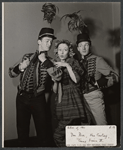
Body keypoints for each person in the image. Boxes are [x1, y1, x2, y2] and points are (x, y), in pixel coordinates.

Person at [9, 27, 57, 147]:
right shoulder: (27, 57)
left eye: (51, 41)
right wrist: (20, 67)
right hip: (21, 98)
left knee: (43, 132)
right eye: (47, 40)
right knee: (22, 131)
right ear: (39, 41)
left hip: (38, 99)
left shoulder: (51, 61)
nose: (49, 44)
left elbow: (58, 77)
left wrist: (45, 61)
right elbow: (11, 73)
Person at [52, 40, 93, 147]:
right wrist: (55, 80)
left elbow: (76, 80)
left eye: (65, 50)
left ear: (69, 52)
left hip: (72, 98)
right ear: (56, 51)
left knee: (62, 134)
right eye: (60, 50)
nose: (62, 52)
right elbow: (55, 90)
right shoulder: (54, 64)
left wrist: (66, 65)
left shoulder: (73, 62)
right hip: (61, 99)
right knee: (67, 133)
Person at [76, 33, 119, 125]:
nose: (83, 48)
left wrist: (98, 83)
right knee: (85, 128)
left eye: (86, 45)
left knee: (101, 125)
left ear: (89, 46)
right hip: (80, 99)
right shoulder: (76, 63)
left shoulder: (97, 60)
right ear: (78, 48)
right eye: (81, 45)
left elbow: (115, 76)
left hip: (94, 96)